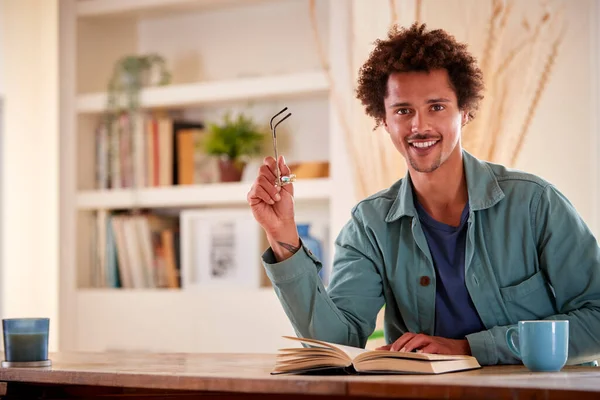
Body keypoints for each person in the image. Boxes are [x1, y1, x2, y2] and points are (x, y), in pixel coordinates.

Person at [246, 22, 600, 366]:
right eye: (403, 111)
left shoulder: (534, 203)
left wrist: (470, 348)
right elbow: (336, 344)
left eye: (436, 106)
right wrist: (283, 238)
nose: (419, 126)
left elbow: (597, 319)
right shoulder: (368, 225)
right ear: (383, 120)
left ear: (464, 112)